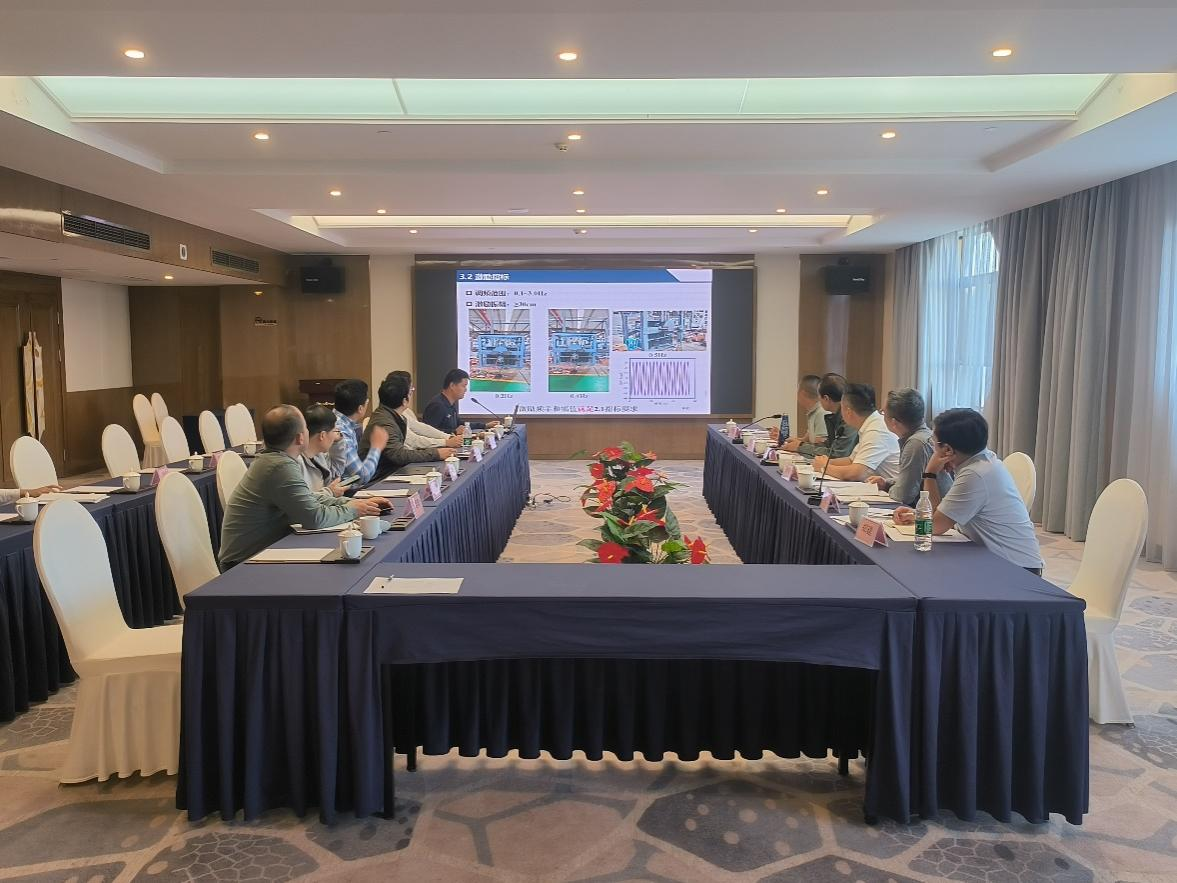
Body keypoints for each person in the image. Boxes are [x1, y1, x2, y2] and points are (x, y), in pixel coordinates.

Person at [218, 405, 386, 569]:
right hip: (241, 565)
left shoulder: (275, 460)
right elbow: (314, 518)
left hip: (259, 554)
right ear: (300, 438)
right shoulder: (279, 466)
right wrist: (353, 510)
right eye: (306, 428)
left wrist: (353, 503)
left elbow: (308, 498)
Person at [894, 408, 1044, 572]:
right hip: (1006, 561)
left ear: (948, 450)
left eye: (933, 442)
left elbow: (934, 527)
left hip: (1016, 570)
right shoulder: (985, 461)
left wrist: (930, 473)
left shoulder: (975, 474)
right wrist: (919, 515)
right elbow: (938, 519)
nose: (932, 447)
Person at [867, 388, 952, 506]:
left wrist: (888, 489)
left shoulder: (915, 444)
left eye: (883, 412)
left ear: (894, 423)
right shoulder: (925, 435)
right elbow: (914, 479)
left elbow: (903, 496)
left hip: (932, 512)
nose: (882, 415)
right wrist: (886, 483)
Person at [362, 374, 456, 479]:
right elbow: (399, 455)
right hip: (380, 478)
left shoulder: (391, 415)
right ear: (404, 401)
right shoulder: (384, 422)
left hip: (389, 471)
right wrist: (436, 453)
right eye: (410, 392)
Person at [811, 382, 900, 482]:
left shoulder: (876, 430)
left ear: (848, 411)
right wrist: (827, 462)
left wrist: (824, 467)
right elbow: (851, 460)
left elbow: (856, 474)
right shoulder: (871, 424)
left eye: (842, 407)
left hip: (888, 491)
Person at [783, 373, 858, 459]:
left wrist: (800, 447)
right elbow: (828, 445)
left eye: (819, 396)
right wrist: (800, 445)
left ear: (826, 398)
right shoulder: (837, 416)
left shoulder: (849, 418)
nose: (818, 399)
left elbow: (837, 454)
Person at [330, 379, 388, 485]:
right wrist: (376, 447)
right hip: (344, 491)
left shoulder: (340, 421)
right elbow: (361, 477)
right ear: (360, 408)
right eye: (367, 402)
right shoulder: (340, 430)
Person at [386, 370, 462, 450]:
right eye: (411, 390)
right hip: (408, 456)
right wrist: (446, 442)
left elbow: (421, 428)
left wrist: (448, 437)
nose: (412, 393)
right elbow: (414, 440)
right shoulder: (389, 418)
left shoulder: (404, 413)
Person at [421, 369, 497, 436]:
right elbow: (428, 432)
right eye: (464, 386)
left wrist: (484, 425)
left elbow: (459, 424)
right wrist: (454, 431)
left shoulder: (451, 403)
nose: (465, 390)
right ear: (452, 385)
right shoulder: (437, 405)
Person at [300, 403, 346, 498]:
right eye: (335, 431)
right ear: (322, 435)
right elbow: (303, 500)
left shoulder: (319, 455)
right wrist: (330, 492)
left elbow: (336, 472)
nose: (336, 435)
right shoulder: (297, 462)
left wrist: (337, 443)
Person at [773, 375, 826, 446]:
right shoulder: (813, 411)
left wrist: (797, 446)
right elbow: (804, 441)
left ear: (802, 393)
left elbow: (819, 447)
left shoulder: (822, 413)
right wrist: (782, 437)